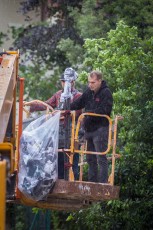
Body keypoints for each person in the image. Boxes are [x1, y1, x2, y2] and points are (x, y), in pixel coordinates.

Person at [29, 69, 82, 180]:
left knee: (73, 158)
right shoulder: (58, 94)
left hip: (72, 131)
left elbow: (77, 113)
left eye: (66, 81)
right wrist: (32, 106)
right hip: (58, 131)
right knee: (58, 156)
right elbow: (47, 104)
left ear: (72, 82)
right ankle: (59, 180)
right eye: (62, 81)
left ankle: (73, 181)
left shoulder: (78, 96)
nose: (64, 84)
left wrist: (64, 113)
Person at [70, 70, 113, 183]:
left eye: (93, 82)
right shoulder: (89, 92)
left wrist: (88, 113)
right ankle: (91, 183)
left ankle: (103, 184)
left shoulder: (106, 93)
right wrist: (66, 107)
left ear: (99, 81)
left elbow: (105, 110)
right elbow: (79, 103)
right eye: (89, 82)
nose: (90, 85)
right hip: (89, 130)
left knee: (101, 157)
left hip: (101, 129)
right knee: (90, 159)